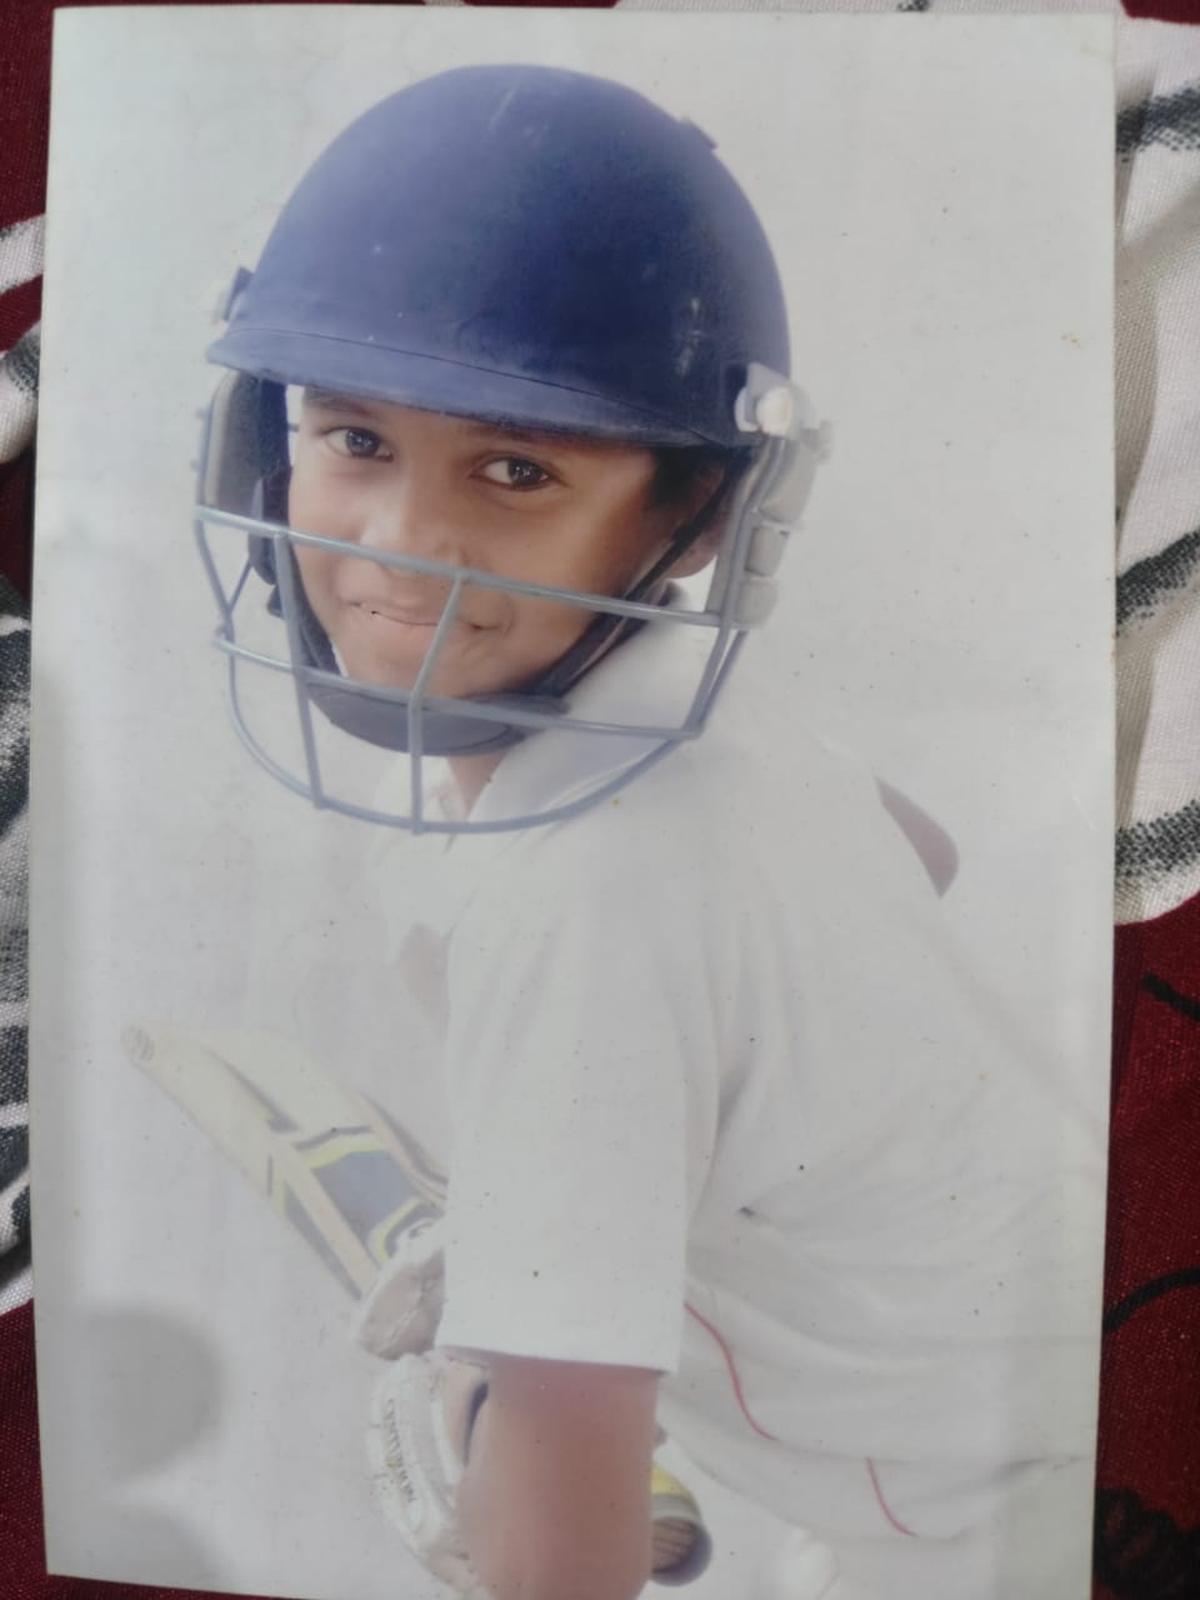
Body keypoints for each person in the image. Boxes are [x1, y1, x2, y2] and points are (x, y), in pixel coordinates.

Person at [196, 64, 1103, 1600]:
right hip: (1070, 1364)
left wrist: (506, 1425)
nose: (400, 548)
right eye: (353, 441)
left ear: (689, 516)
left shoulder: (586, 902)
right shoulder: (685, 687)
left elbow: (568, 1572)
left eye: (514, 469)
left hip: (981, 1533)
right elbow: (918, 849)